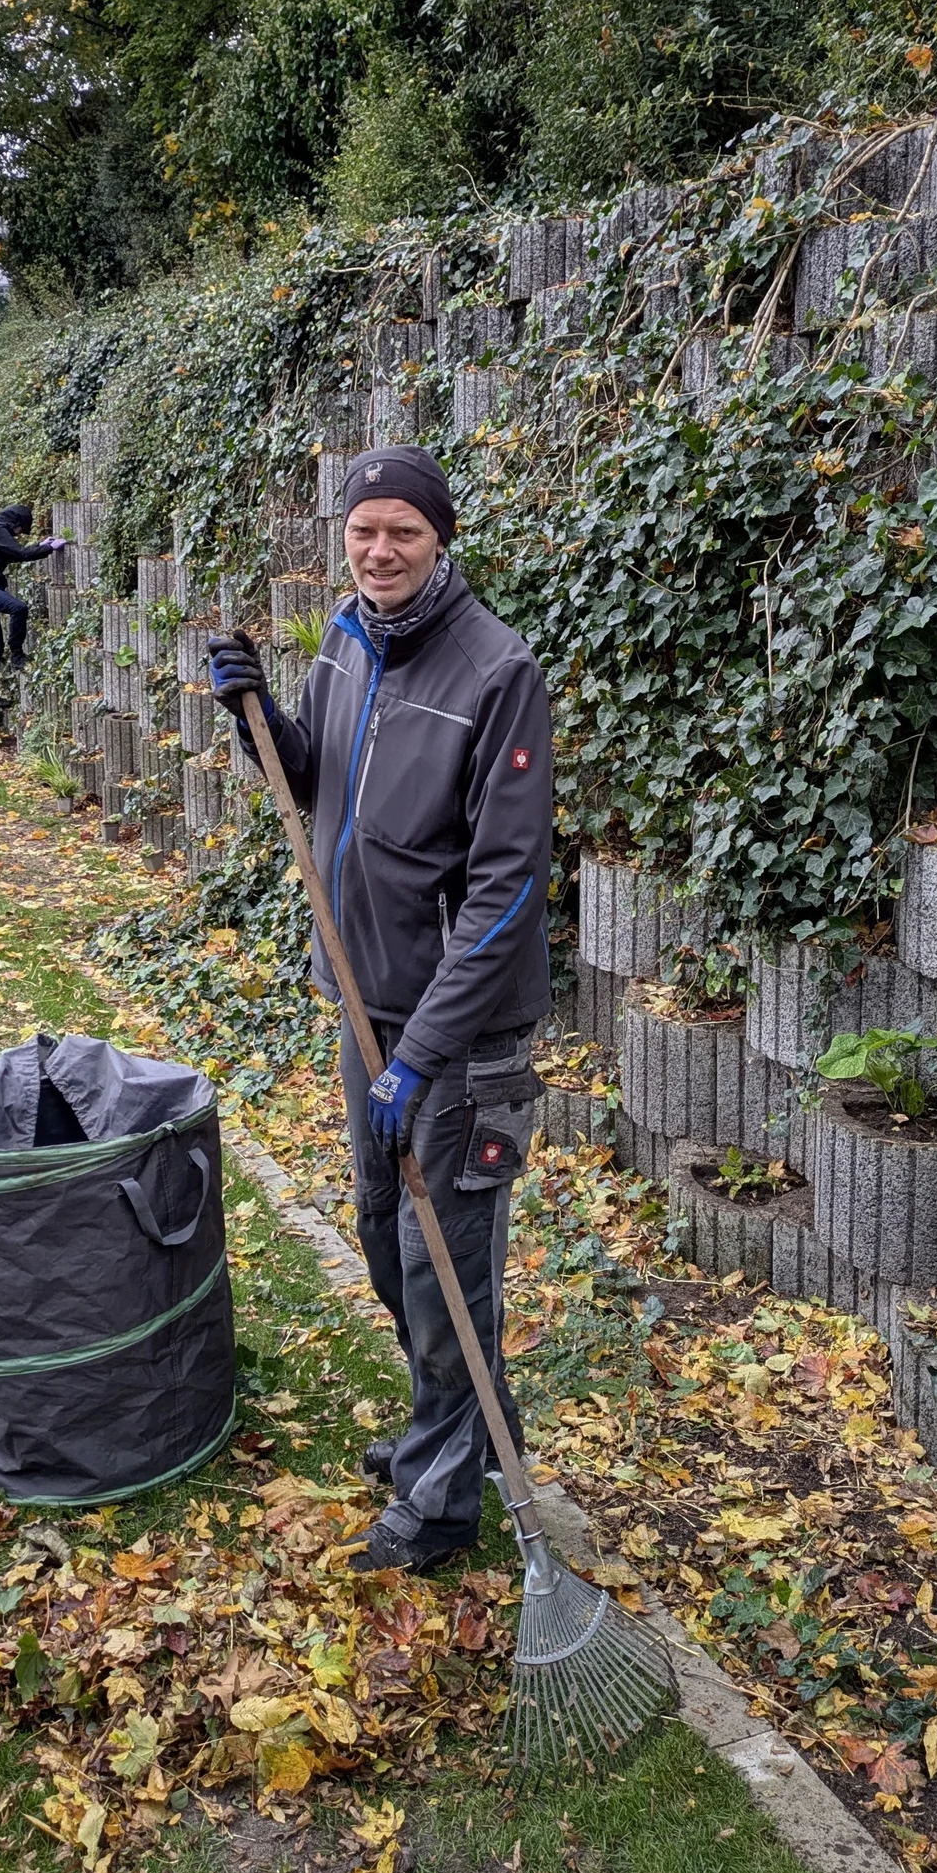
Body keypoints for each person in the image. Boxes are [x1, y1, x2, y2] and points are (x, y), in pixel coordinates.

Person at [208, 446, 552, 1571]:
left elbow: (505, 892)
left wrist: (426, 1056)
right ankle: (455, 1429)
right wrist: (257, 711)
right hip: (365, 1002)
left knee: (438, 1249)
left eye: (403, 531)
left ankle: (443, 1501)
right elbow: (316, 784)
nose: (380, 549)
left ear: (440, 538)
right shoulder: (348, 638)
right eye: (364, 532)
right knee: (378, 1229)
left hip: (456, 1029)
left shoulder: (495, 671)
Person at [0, 504, 65, 719]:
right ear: (16, 522)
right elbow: (19, 553)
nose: (18, 534)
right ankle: (17, 654)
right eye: (20, 530)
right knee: (18, 608)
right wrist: (48, 548)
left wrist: (40, 545)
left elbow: (14, 553)